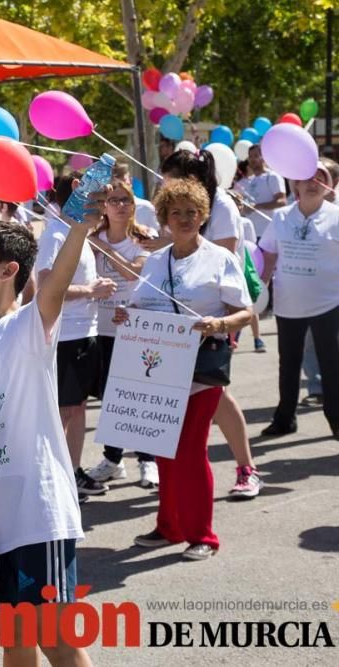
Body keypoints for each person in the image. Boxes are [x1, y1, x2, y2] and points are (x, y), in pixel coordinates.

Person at [0, 216, 89, 665]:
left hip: (38, 512)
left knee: (54, 637)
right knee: (15, 640)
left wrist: (81, 227)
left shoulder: (26, 328)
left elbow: (55, 285)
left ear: (8, 270)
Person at [118, 178, 253, 561]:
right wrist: (127, 316)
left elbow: (244, 312)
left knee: (190, 452)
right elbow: (143, 306)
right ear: (163, 217)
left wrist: (218, 325)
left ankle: (203, 535)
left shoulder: (220, 259)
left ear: (203, 216)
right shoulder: (157, 260)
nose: (184, 218)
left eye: (191, 212)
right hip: (161, 369)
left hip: (202, 369)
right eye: (175, 212)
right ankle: (170, 527)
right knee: (164, 451)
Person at [158, 151, 264, 498]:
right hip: (183, 328)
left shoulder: (220, 207)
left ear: (189, 177)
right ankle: (198, 476)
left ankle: (246, 468)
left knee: (215, 394)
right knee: (215, 398)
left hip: (217, 317)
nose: (165, 183)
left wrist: (221, 324)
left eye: (170, 176)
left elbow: (224, 254)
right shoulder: (183, 205)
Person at [36, 173, 117, 499]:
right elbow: (45, 286)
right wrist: (90, 290)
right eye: (96, 197)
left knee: (78, 407)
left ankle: (73, 471)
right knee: (63, 411)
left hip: (86, 333)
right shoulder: (56, 233)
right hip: (65, 336)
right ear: (75, 192)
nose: (101, 206)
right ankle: (58, 477)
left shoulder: (76, 232)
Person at [82, 181, 158, 489]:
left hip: (135, 329)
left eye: (125, 200)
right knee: (110, 397)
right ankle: (113, 460)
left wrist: (102, 248)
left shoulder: (144, 238)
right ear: (104, 206)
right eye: (113, 200)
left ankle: (148, 460)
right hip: (100, 328)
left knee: (138, 397)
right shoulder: (90, 239)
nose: (120, 205)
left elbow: (132, 273)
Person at [258, 162, 339, 440]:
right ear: (296, 185)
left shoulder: (337, 217)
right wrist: (260, 289)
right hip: (288, 304)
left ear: (329, 186)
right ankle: (284, 419)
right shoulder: (280, 218)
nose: (313, 182)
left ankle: (336, 419)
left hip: (329, 304)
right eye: (307, 178)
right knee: (288, 363)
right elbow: (268, 254)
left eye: (321, 177)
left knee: (332, 364)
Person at [299, 157, 339, 407]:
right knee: (310, 340)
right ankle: (316, 387)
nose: (315, 182)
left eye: (322, 177)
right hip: (310, 290)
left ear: (333, 182)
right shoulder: (303, 209)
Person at [238, 144, 287, 238]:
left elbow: (282, 201)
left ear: (264, 157)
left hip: (268, 234)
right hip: (250, 235)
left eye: (256, 156)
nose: (252, 159)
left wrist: (257, 206)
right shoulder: (247, 181)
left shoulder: (272, 177)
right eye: (250, 156)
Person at [111, 161, 158, 233]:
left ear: (130, 180)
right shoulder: (103, 210)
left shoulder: (145, 207)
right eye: (114, 183)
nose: (119, 186)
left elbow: (158, 236)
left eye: (122, 181)